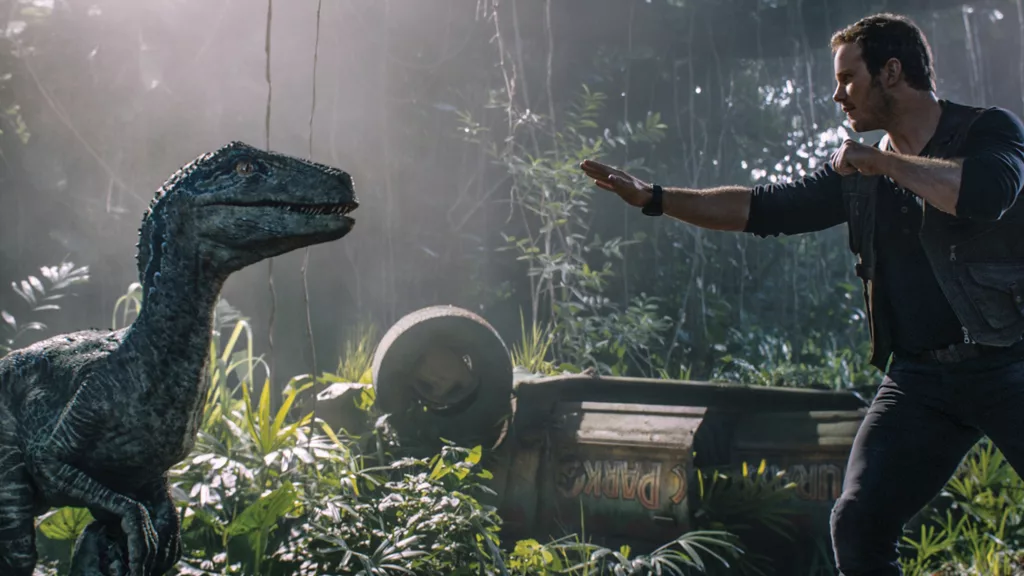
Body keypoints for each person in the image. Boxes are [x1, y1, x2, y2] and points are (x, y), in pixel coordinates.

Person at [580, 12, 1024, 575]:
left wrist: (882, 162)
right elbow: (763, 208)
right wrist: (656, 198)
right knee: (858, 523)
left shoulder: (988, 130)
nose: (837, 95)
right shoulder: (858, 175)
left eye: (847, 78)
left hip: (1010, 362)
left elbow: (985, 194)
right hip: (921, 381)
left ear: (891, 72)